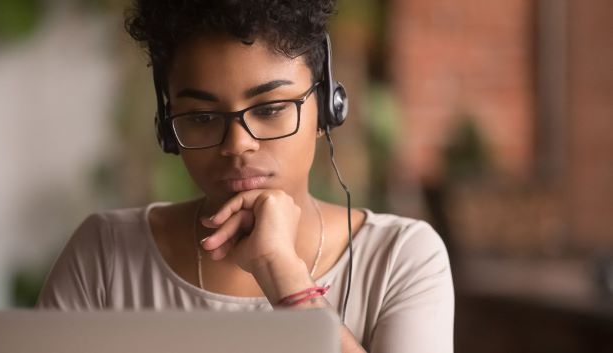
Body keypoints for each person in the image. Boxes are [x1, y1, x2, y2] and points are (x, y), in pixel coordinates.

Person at [36, 1, 454, 352]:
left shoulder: (401, 258)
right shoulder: (105, 257)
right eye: (201, 116)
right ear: (168, 128)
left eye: (270, 109)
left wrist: (280, 270)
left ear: (326, 108)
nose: (237, 145)